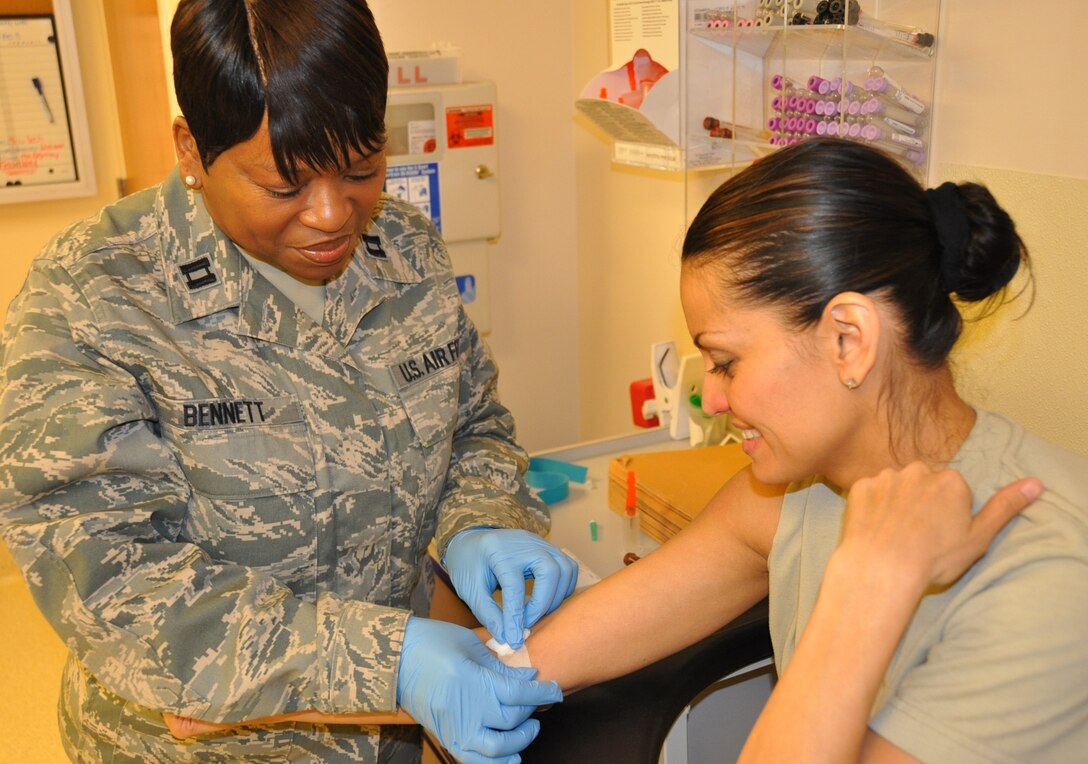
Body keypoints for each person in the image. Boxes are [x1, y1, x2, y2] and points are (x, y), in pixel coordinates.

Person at [0, 1, 575, 763]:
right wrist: (389, 663)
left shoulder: (403, 252)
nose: (333, 215)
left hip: (400, 736)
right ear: (193, 151)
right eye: (284, 186)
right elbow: (109, 580)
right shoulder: (96, 295)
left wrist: (480, 520)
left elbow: (475, 428)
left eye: (363, 169)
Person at [515, 137, 1088, 762]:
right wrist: (482, 673)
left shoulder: (1046, 580)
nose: (711, 398)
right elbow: (553, 655)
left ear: (848, 339)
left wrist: (865, 589)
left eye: (726, 362)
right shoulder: (804, 488)